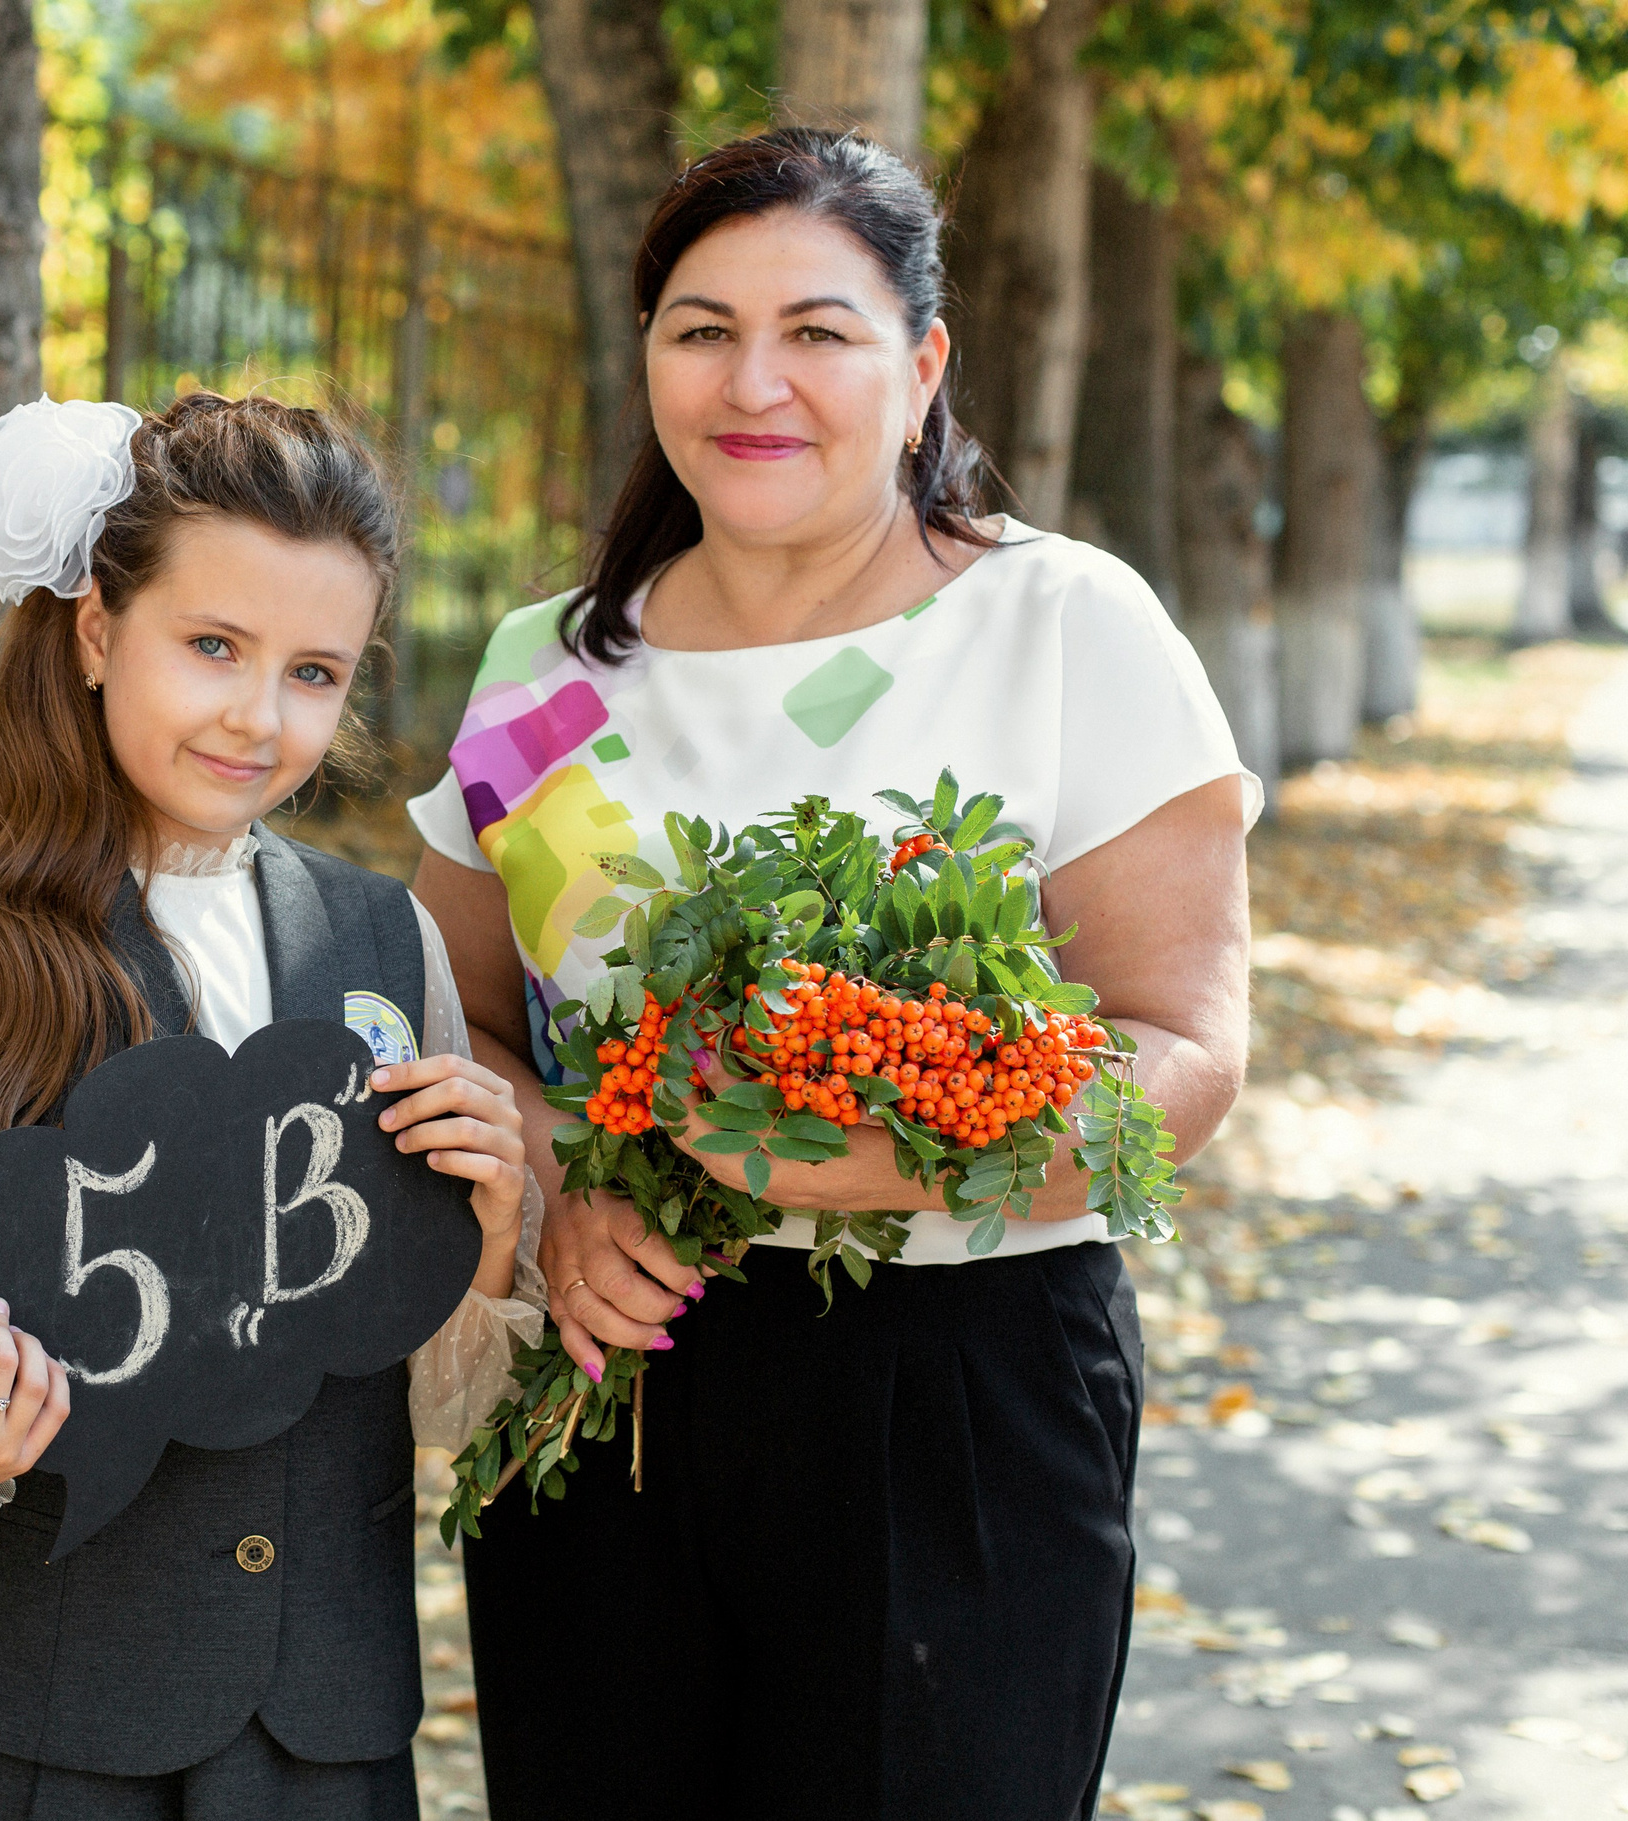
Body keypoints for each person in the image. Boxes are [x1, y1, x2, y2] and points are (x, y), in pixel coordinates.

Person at [406, 131, 1258, 1819]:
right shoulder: (544, 671)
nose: (754, 381)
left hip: (959, 1388)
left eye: (820, 330)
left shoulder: (1060, 624)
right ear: (646, 348)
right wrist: (565, 1181)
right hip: (608, 1376)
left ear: (923, 363)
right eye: (702, 327)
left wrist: (911, 1147)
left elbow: (1186, 1043)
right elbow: (456, 1023)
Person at [0, 391, 545, 1820]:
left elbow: (456, 1404)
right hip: (50, 1732)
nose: (260, 717)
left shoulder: (393, 948)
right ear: (92, 632)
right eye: (213, 647)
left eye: (315, 672)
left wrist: (489, 1231)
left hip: (322, 1735)